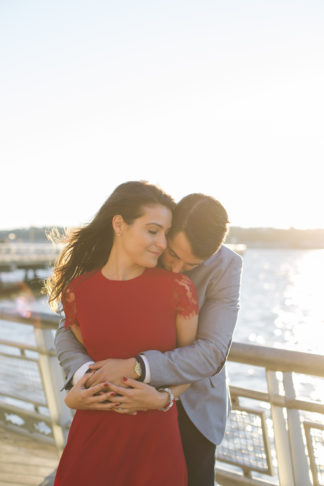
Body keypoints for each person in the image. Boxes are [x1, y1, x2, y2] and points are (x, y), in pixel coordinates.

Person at [55, 191, 243, 486]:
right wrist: (86, 377)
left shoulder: (227, 266)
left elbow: (212, 352)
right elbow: (68, 328)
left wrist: (137, 369)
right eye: (174, 255)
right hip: (113, 406)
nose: (176, 269)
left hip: (192, 409)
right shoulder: (133, 245)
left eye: (192, 265)